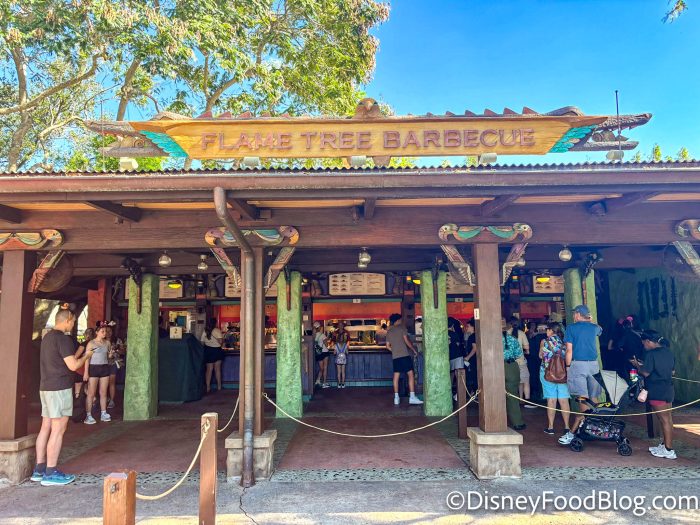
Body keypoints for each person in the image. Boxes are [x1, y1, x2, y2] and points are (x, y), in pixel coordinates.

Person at [32, 308, 94, 485]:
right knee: (58, 429)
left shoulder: (47, 338)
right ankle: (51, 472)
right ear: (67, 320)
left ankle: (39, 469)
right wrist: (87, 356)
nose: (73, 324)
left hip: (46, 387)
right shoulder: (63, 339)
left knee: (45, 427)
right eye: (73, 321)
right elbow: (73, 365)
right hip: (59, 388)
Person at [558, 305, 603, 446]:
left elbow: (569, 350)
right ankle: (596, 425)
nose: (573, 316)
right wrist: (591, 320)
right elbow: (600, 329)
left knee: (582, 397)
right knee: (593, 395)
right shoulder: (594, 328)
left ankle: (585, 425)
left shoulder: (571, 328)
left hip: (578, 364)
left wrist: (567, 367)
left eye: (574, 314)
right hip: (593, 365)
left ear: (578, 314)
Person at [635, 330, 676, 460]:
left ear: (648, 341)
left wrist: (637, 366)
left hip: (657, 390)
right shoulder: (668, 352)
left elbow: (646, 373)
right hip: (668, 389)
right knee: (668, 419)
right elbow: (673, 372)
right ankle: (665, 445)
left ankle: (669, 450)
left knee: (664, 420)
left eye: (644, 343)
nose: (644, 346)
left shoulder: (651, 354)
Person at [539, 322, 571, 435]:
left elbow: (540, 356)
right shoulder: (565, 342)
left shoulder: (544, 341)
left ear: (551, 330)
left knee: (551, 400)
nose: (546, 331)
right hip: (563, 374)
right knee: (564, 400)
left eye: (547, 329)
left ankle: (551, 427)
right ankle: (567, 427)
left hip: (547, 373)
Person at [386, 313, 423, 405]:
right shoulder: (402, 328)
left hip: (395, 357)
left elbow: (387, 346)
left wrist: (395, 350)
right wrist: (414, 350)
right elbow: (406, 341)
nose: (401, 321)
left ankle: (396, 398)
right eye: (400, 319)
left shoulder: (389, 331)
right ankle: (412, 397)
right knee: (410, 374)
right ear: (398, 320)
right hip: (404, 355)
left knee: (396, 376)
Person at [84, 323, 113, 424]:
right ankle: (88, 415)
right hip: (94, 368)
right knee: (91, 393)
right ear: (97, 332)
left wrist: (110, 355)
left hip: (104, 367)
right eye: (102, 331)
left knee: (103, 392)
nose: (105, 333)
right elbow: (87, 358)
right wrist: (86, 372)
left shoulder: (107, 343)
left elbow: (108, 357)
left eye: (106, 331)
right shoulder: (91, 343)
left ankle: (103, 413)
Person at [506, 317, 533, 408]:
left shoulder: (504, 333)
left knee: (515, 382)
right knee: (525, 381)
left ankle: (519, 400)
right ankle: (527, 401)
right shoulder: (521, 333)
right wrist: (524, 351)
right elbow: (527, 348)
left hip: (509, 363)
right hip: (521, 361)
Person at [503, 328, 526, 430]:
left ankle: (496, 421)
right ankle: (517, 422)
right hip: (511, 366)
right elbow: (518, 354)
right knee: (512, 395)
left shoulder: (491, 339)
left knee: (494, 395)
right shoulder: (512, 338)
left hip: (495, 367)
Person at [201, 320, 224, 393]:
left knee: (209, 370)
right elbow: (220, 342)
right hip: (217, 351)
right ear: (215, 323)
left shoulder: (205, 331)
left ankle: (208, 387)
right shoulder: (217, 330)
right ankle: (219, 387)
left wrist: (209, 343)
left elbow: (202, 343)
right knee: (217, 369)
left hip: (208, 351)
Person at [448, 317, 467, 401]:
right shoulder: (455, 334)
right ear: (452, 325)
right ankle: (459, 395)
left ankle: (449, 393)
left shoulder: (444, 334)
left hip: (449, 357)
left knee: (450, 375)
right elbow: (458, 344)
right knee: (459, 375)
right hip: (457, 356)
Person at [73, 328, 95, 399]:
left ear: (86, 335)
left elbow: (76, 356)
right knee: (87, 387)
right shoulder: (96, 344)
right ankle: (92, 399)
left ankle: (78, 399)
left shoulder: (84, 344)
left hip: (82, 369)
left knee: (78, 387)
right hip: (92, 368)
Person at [526, 321, 545, 401]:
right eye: (532, 325)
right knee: (533, 376)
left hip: (539, 358)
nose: (533, 327)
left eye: (534, 325)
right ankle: (534, 393)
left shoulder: (541, 335)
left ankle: (540, 393)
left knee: (539, 376)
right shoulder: (527, 334)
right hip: (531, 358)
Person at [313, 321, 331, 388]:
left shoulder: (313, 336)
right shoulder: (322, 335)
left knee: (321, 368)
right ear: (319, 327)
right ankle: (324, 383)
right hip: (325, 352)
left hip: (318, 353)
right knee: (325, 368)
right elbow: (326, 345)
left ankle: (318, 380)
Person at [333, 321, 350, 388]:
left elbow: (334, 352)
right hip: (344, 359)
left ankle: (339, 384)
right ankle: (343, 383)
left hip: (338, 359)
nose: (340, 326)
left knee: (338, 372)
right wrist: (347, 347)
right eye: (339, 325)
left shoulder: (336, 345)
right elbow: (347, 352)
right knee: (343, 372)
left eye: (341, 325)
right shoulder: (335, 332)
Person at [464, 319, 478, 394]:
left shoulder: (472, 336)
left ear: (473, 327)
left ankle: (476, 392)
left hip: (473, 359)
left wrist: (468, 357)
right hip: (475, 359)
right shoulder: (474, 336)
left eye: (468, 326)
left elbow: (474, 348)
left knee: (474, 376)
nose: (466, 328)